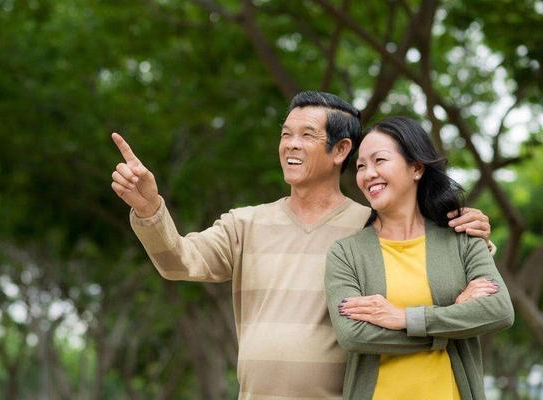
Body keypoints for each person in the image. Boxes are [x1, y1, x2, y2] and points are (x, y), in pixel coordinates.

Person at [111, 92, 493, 399]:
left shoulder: (372, 224)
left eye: (307, 135)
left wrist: (478, 240)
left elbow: (437, 262)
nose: (290, 145)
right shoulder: (245, 223)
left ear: (341, 150)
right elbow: (179, 261)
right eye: (285, 134)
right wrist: (149, 209)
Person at [325, 116, 514, 400]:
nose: (368, 174)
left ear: (415, 168)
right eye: (361, 166)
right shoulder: (346, 253)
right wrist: (451, 321)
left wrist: (404, 317)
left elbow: (499, 310)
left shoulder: (463, 237)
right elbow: (353, 335)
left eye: (379, 160)